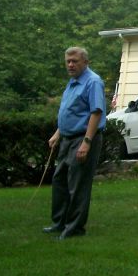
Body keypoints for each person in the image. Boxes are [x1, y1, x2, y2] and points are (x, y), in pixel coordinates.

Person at [43, 46, 106, 240]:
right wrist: (58, 133)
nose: (70, 65)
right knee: (60, 180)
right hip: (67, 139)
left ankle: (75, 228)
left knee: (78, 185)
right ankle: (59, 223)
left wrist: (86, 142)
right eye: (68, 61)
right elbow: (71, 111)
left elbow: (96, 112)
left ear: (85, 62)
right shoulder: (73, 82)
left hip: (83, 138)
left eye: (75, 61)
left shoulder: (93, 82)